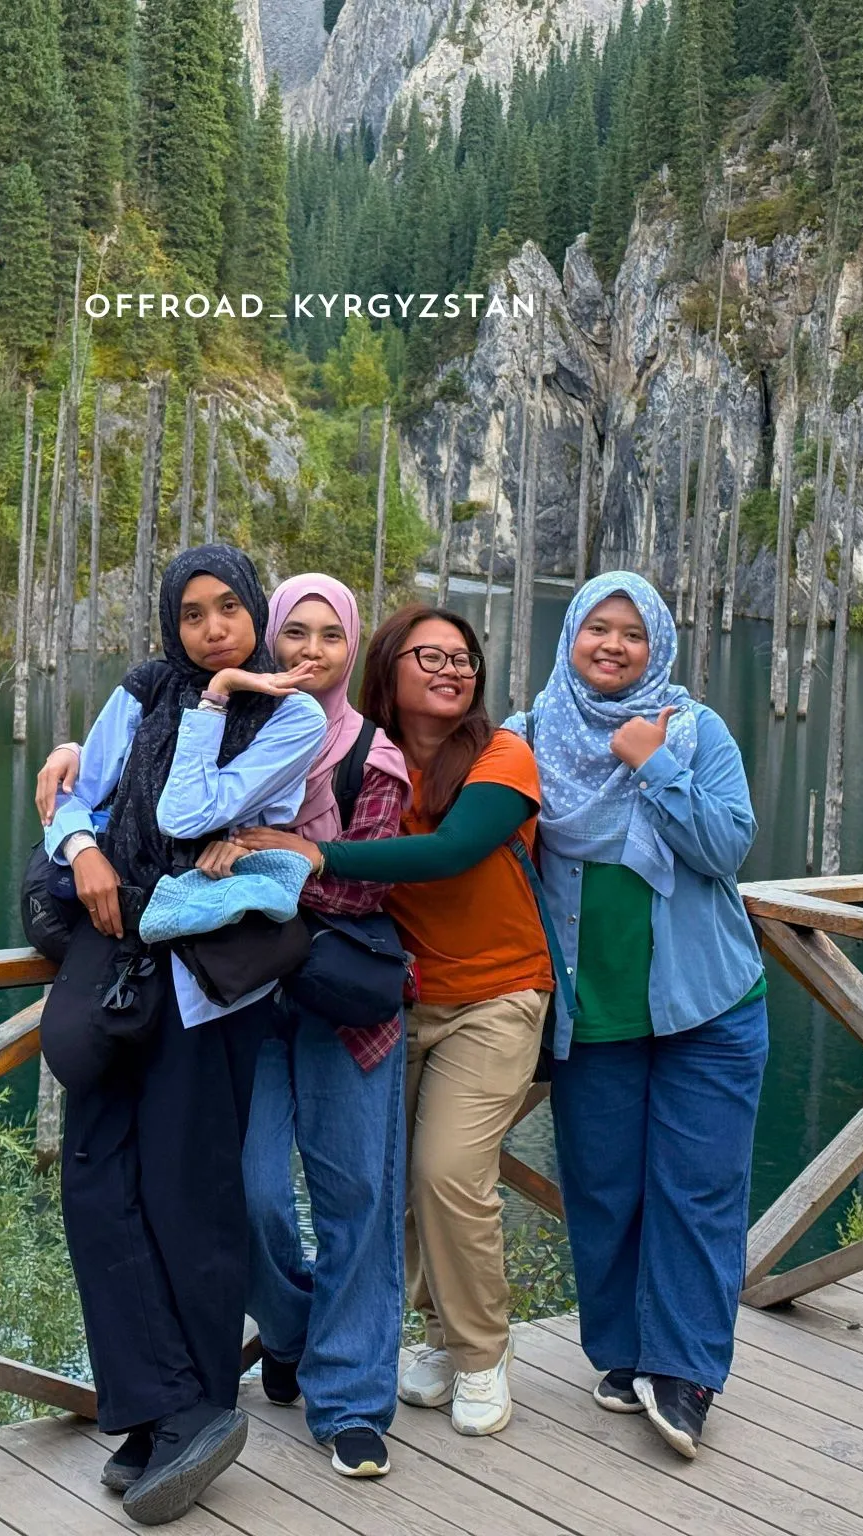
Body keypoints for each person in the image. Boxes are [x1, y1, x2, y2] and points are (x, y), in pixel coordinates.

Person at [40, 574, 413, 1480]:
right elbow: (76, 796)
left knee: (193, 1199)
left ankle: (197, 1408)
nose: (213, 630)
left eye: (230, 611)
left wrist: (214, 700)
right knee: (96, 1187)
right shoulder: (140, 687)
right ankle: (153, 1408)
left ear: (255, 616)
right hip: (122, 959)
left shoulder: (289, 722)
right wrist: (83, 846)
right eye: (192, 615)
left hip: (212, 987)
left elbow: (183, 813)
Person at [238, 604, 554, 1439]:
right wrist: (76, 758)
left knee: (446, 1172)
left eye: (466, 658)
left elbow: (450, 853)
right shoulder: (356, 750)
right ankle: (440, 1338)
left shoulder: (502, 754)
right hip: (400, 999)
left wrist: (320, 855)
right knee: (395, 1190)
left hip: (498, 996)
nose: (454, 669)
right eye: (432, 656)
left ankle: (483, 1352)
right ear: (390, 665)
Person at [512, 571, 767, 1461]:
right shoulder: (529, 736)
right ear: (571, 636)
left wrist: (650, 763)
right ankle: (622, 1355)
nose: (613, 646)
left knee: (699, 1193)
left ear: (657, 643)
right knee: (605, 1193)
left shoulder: (695, 732)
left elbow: (727, 847)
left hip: (710, 1005)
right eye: (597, 629)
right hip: (594, 1015)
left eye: (632, 633)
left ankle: (688, 1373)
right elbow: (458, 811)